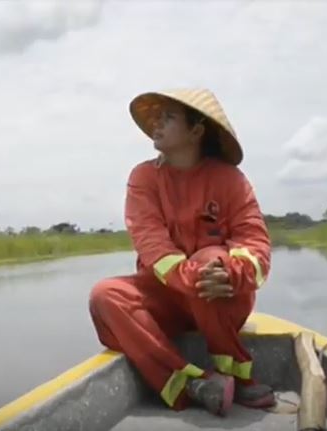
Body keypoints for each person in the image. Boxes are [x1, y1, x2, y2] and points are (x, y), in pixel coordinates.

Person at [88, 88, 275, 416]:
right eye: (156, 118)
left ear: (196, 131)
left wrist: (230, 273)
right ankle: (194, 384)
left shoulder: (230, 180)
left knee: (209, 261)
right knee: (105, 296)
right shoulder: (143, 177)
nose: (157, 125)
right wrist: (193, 276)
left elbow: (255, 247)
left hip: (222, 298)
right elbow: (151, 246)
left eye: (168, 117)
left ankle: (236, 376)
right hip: (170, 299)